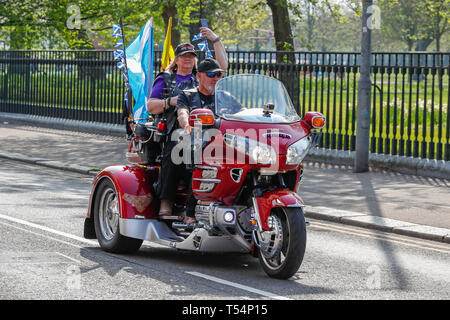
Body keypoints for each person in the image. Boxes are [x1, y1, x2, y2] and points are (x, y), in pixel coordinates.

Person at [147, 27, 227, 218]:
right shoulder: (167, 79)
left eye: (191, 56)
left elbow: (221, 68)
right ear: (176, 59)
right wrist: (170, 102)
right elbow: (151, 106)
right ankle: (166, 200)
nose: (188, 59)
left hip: (209, 130)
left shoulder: (201, 79)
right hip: (177, 127)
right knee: (177, 146)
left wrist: (216, 40)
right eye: (184, 56)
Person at [175, 58, 225, 224]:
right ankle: (190, 213)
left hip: (223, 142)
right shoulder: (187, 95)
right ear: (199, 76)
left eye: (219, 74)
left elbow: (241, 112)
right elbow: (182, 113)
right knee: (201, 158)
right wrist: (187, 123)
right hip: (195, 141)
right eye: (212, 74)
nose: (216, 78)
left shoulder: (225, 97)